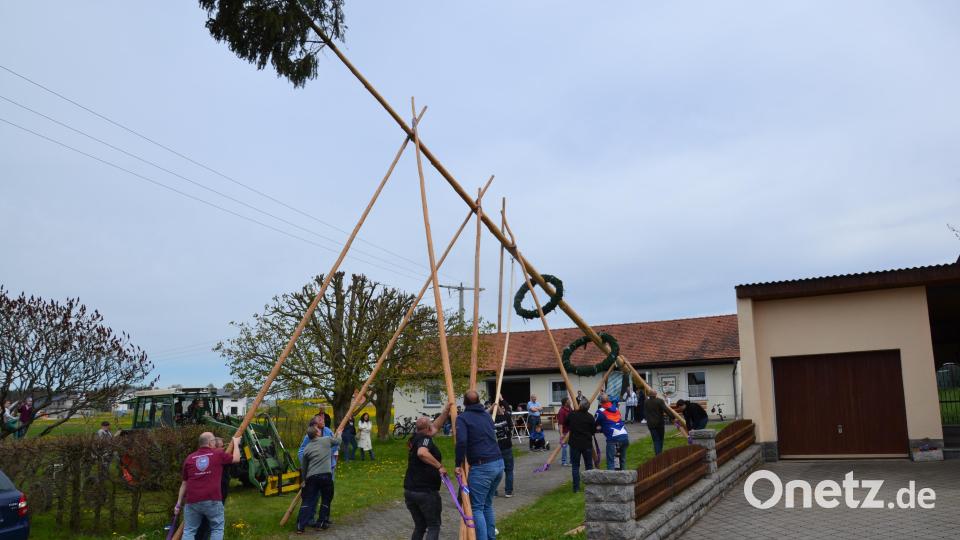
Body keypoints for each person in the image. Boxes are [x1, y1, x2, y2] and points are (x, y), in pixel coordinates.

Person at [174, 431, 241, 540]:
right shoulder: (217, 454)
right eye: (214, 441)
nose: (215, 444)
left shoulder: (189, 458)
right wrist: (236, 443)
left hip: (192, 501)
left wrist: (178, 503)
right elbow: (236, 458)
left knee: (189, 530)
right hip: (212, 499)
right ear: (210, 443)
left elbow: (184, 483)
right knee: (217, 528)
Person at [455, 390, 503, 540]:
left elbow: (461, 441)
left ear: (464, 403)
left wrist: (458, 463)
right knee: (487, 505)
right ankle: (490, 537)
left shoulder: (462, 418)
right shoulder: (486, 416)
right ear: (478, 401)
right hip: (498, 463)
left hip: (482, 467)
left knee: (477, 508)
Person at [403, 403, 452, 540]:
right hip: (425, 493)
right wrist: (439, 466)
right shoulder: (425, 439)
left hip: (410, 491)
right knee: (434, 525)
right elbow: (422, 453)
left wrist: (446, 411)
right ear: (427, 428)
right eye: (430, 424)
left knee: (420, 526)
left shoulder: (416, 437)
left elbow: (435, 426)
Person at [296, 426, 341, 533]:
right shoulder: (326, 440)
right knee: (326, 499)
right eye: (319, 430)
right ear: (317, 433)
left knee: (307, 501)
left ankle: (300, 526)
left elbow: (304, 467)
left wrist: (303, 480)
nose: (321, 430)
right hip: (325, 476)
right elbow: (338, 441)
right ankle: (320, 524)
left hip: (311, 478)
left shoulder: (307, 448)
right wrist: (339, 433)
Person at [195, 437, 233, 540]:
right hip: (213, 497)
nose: (223, 449)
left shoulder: (217, 457)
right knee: (208, 525)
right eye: (221, 446)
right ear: (214, 447)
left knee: (207, 524)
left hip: (217, 495)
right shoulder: (215, 459)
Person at [564, 399, 596, 492]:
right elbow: (593, 431)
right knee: (589, 465)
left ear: (580, 405)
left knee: (575, 466)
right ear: (588, 407)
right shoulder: (590, 417)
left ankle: (576, 488)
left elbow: (566, 423)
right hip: (587, 444)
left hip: (575, 444)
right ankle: (590, 487)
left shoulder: (572, 414)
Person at [595, 393, 629, 470]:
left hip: (613, 437)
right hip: (624, 435)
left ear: (600, 402)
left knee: (611, 462)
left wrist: (600, 427)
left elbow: (594, 423)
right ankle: (623, 478)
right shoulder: (616, 409)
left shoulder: (600, 411)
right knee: (622, 460)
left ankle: (611, 481)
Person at [492, 401, 514, 498]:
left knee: (495, 471)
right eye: (502, 408)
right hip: (503, 448)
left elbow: (508, 409)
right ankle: (507, 491)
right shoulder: (506, 417)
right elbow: (508, 409)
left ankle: (495, 491)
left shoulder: (490, 419)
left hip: (496, 449)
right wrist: (501, 400)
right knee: (508, 470)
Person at [643, 391, 672, 455]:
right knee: (660, 440)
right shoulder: (659, 401)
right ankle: (659, 455)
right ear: (655, 395)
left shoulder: (646, 402)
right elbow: (666, 410)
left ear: (649, 395)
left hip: (651, 424)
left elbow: (645, 412)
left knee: (655, 440)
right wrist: (673, 417)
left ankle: (658, 455)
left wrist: (646, 419)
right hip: (659, 424)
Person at [556, 397, 572, 466]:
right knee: (564, 447)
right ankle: (564, 461)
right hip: (565, 432)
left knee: (572, 446)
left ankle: (572, 461)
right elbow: (560, 424)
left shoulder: (570, 409)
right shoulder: (561, 411)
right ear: (565, 403)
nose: (570, 401)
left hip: (571, 431)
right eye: (569, 401)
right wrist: (561, 433)